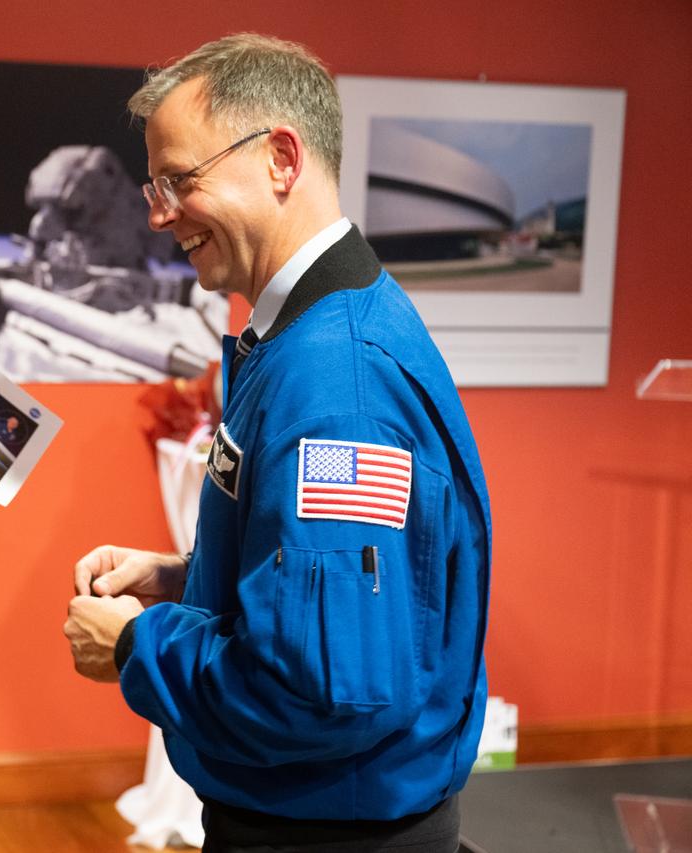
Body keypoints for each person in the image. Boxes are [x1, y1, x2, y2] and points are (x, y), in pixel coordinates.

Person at [63, 34, 491, 853]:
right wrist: (186, 578)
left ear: (281, 161)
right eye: (154, 186)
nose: (157, 215)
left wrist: (131, 643)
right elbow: (354, 590)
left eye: (178, 181)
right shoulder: (313, 335)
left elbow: (315, 691)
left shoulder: (334, 386)